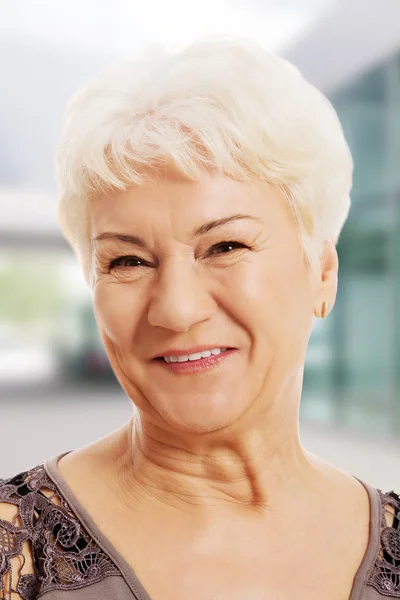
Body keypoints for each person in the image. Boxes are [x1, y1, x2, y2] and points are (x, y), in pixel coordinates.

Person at [1, 35, 399, 600]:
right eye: (128, 260)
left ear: (323, 274)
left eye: (225, 247)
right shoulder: (13, 548)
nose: (177, 310)